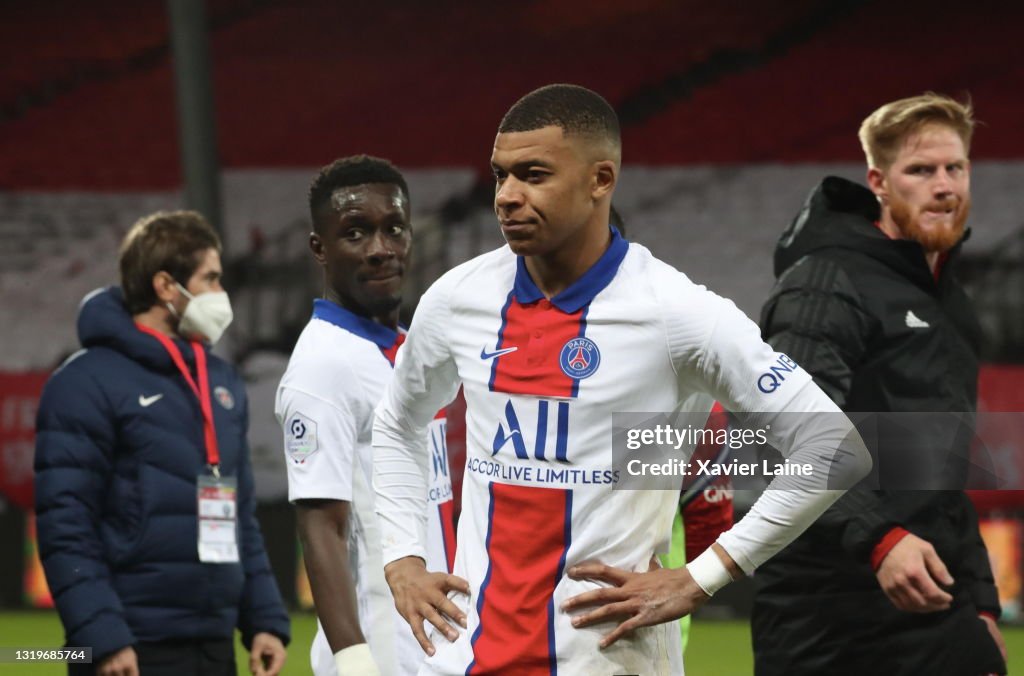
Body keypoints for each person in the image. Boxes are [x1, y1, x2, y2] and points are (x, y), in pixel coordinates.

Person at [372, 83, 871, 675]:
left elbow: (834, 447)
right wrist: (402, 556)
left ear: (600, 180)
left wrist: (703, 577)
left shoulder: (676, 313)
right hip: (465, 657)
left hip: (607, 660)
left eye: (533, 174)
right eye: (500, 176)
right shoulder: (458, 297)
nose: (507, 196)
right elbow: (398, 421)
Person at [751, 94, 1007, 675]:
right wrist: (880, 539)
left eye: (955, 168)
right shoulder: (825, 280)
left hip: (934, 600)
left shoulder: (952, 304)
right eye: (921, 170)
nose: (944, 186)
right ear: (880, 182)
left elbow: (947, 474)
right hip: (825, 613)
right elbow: (786, 431)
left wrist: (982, 604)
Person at [34, 211, 290, 676]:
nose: (221, 295)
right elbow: (65, 525)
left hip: (212, 644)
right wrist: (102, 639)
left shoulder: (221, 382)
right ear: (166, 287)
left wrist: (265, 619)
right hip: (130, 645)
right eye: (210, 279)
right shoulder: (84, 382)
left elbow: (241, 517)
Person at [275, 156, 456, 676]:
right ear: (320, 249)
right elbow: (320, 527)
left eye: (393, 229)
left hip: (432, 640)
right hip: (380, 649)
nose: (381, 249)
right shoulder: (324, 365)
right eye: (355, 233)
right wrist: (355, 662)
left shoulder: (407, 351)